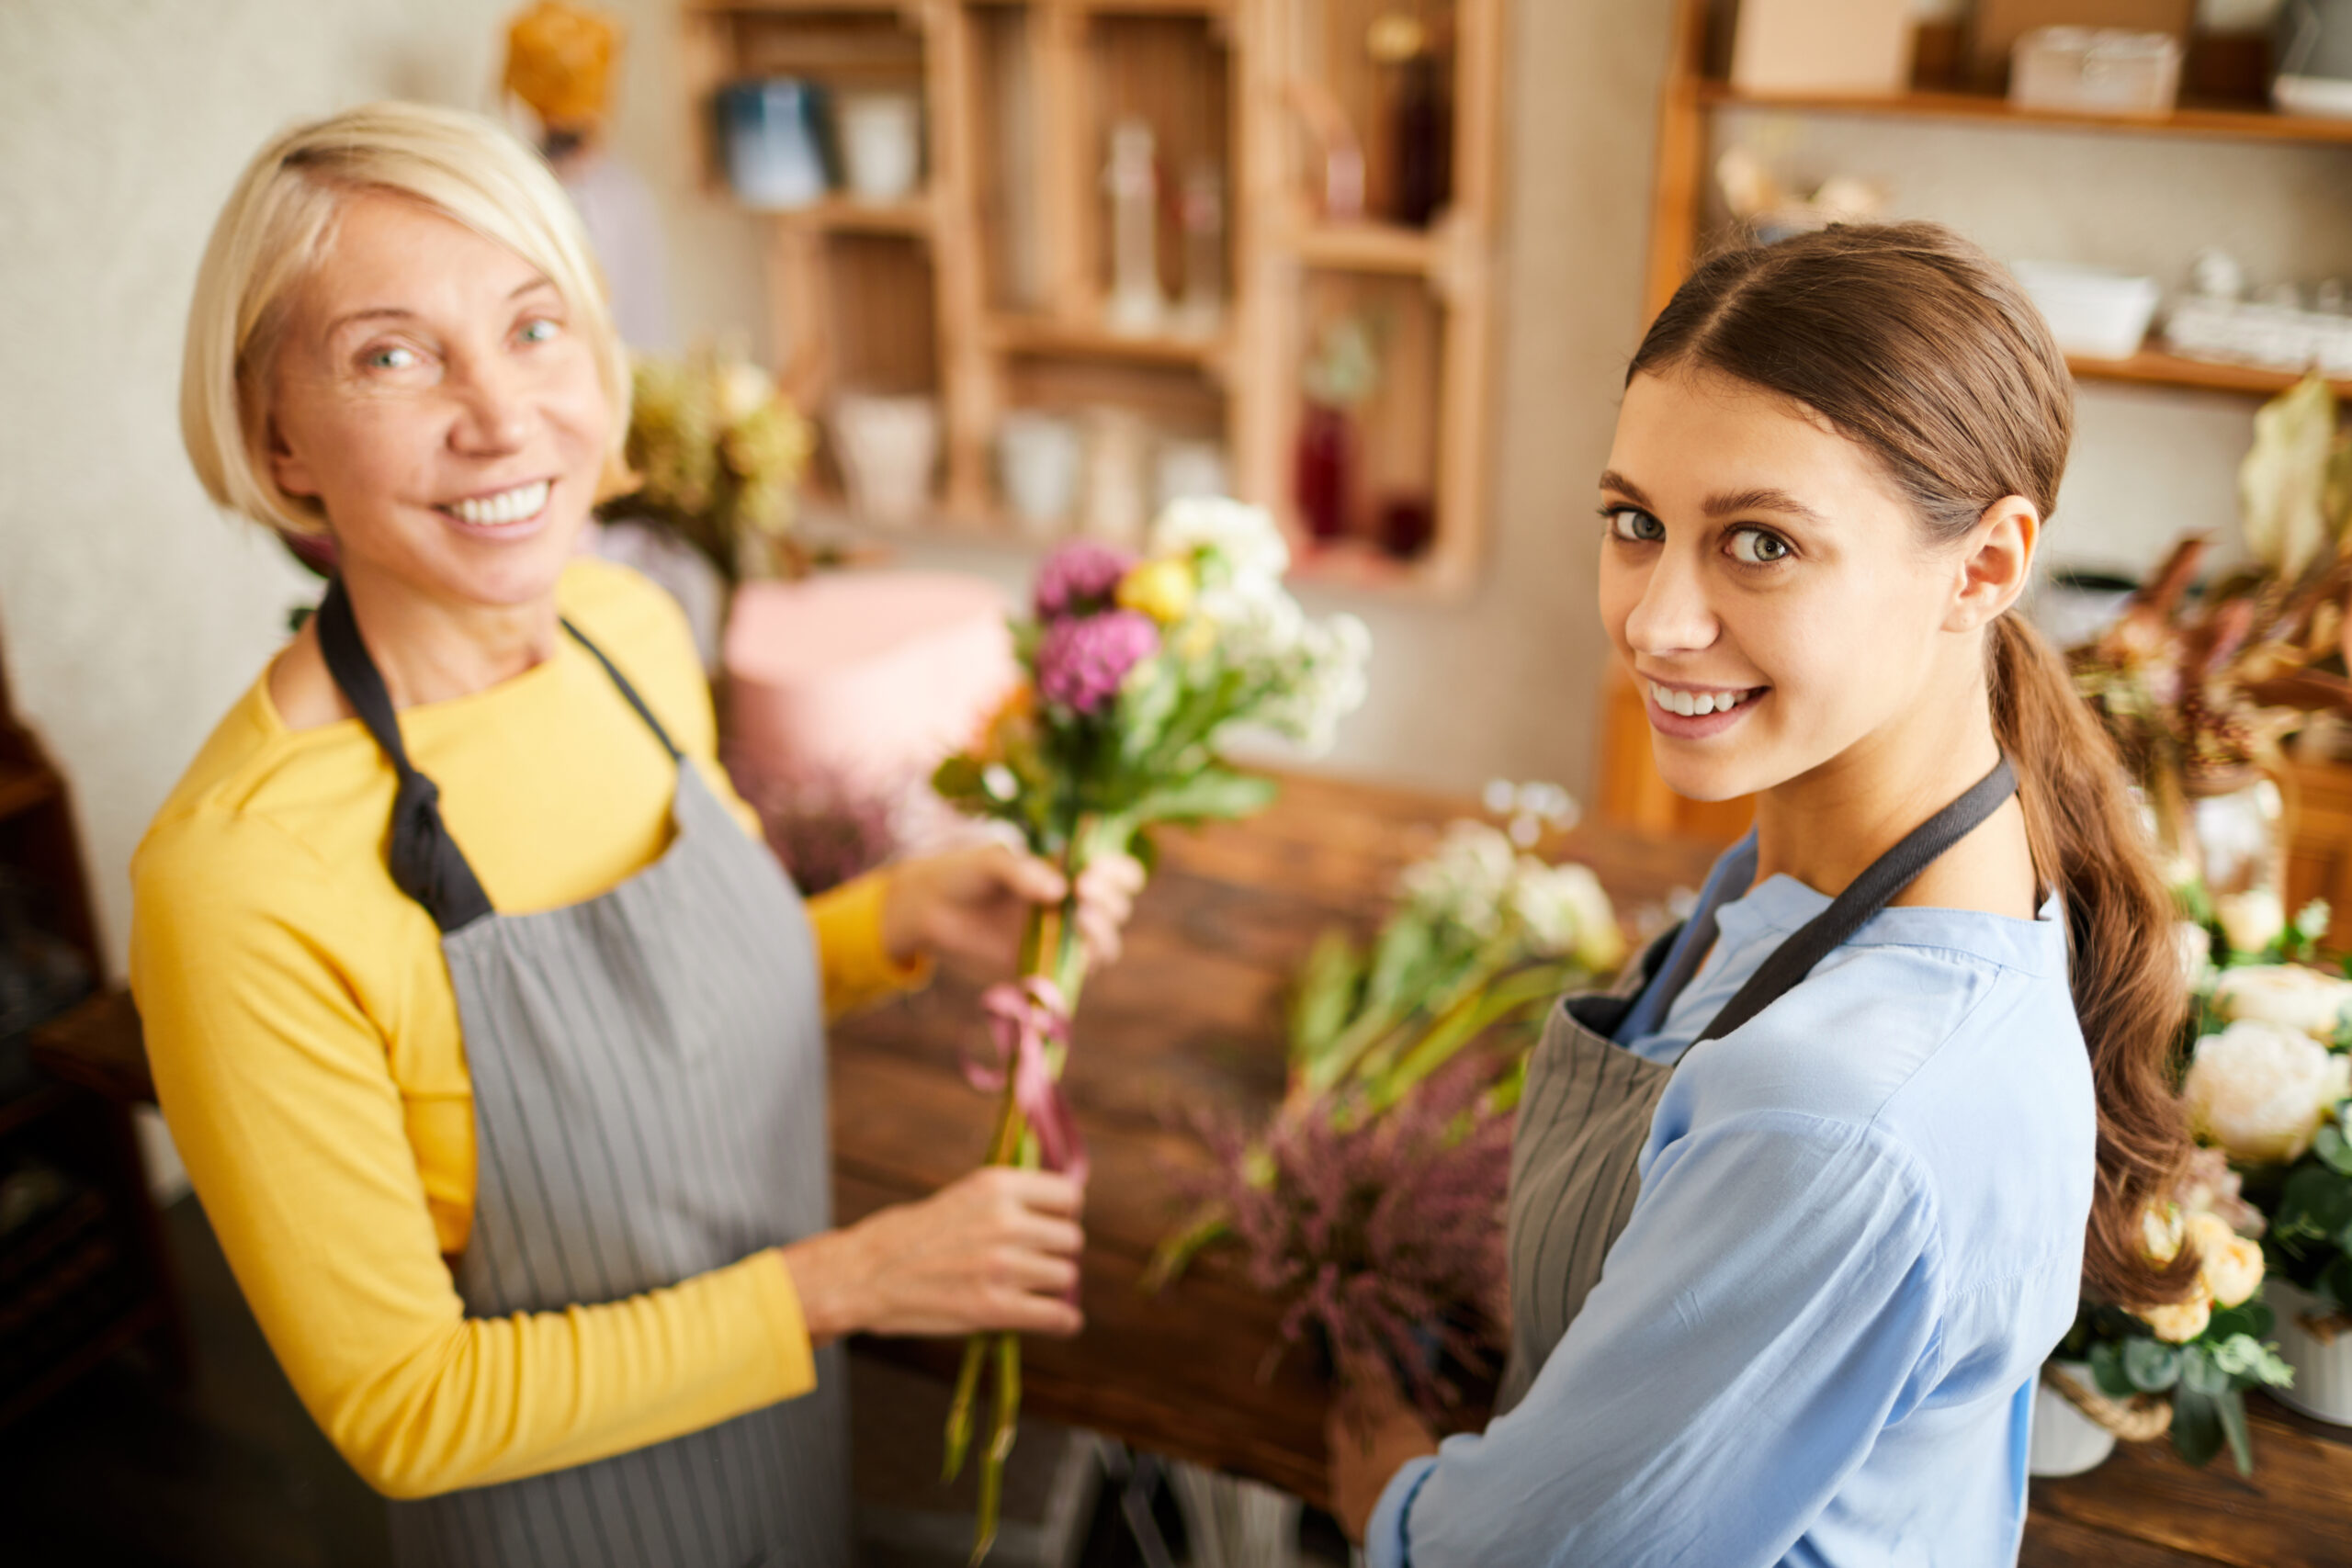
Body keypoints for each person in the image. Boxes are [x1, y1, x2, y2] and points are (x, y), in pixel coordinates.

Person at [135, 101, 1139, 1567]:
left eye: (534, 326)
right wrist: (843, 1284)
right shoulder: (238, 880)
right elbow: (408, 1407)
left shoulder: (630, 629)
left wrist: (899, 919)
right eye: (392, 354)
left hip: (771, 1441)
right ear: (277, 437)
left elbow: (665, 1010)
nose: (501, 414)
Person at [1328, 221, 2201, 1565]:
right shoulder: (1838, 858)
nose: (1656, 619)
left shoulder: (1847, 1116)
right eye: (1637, 523)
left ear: (1983, 566)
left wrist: (1395, 1494)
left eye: (1763, 545)